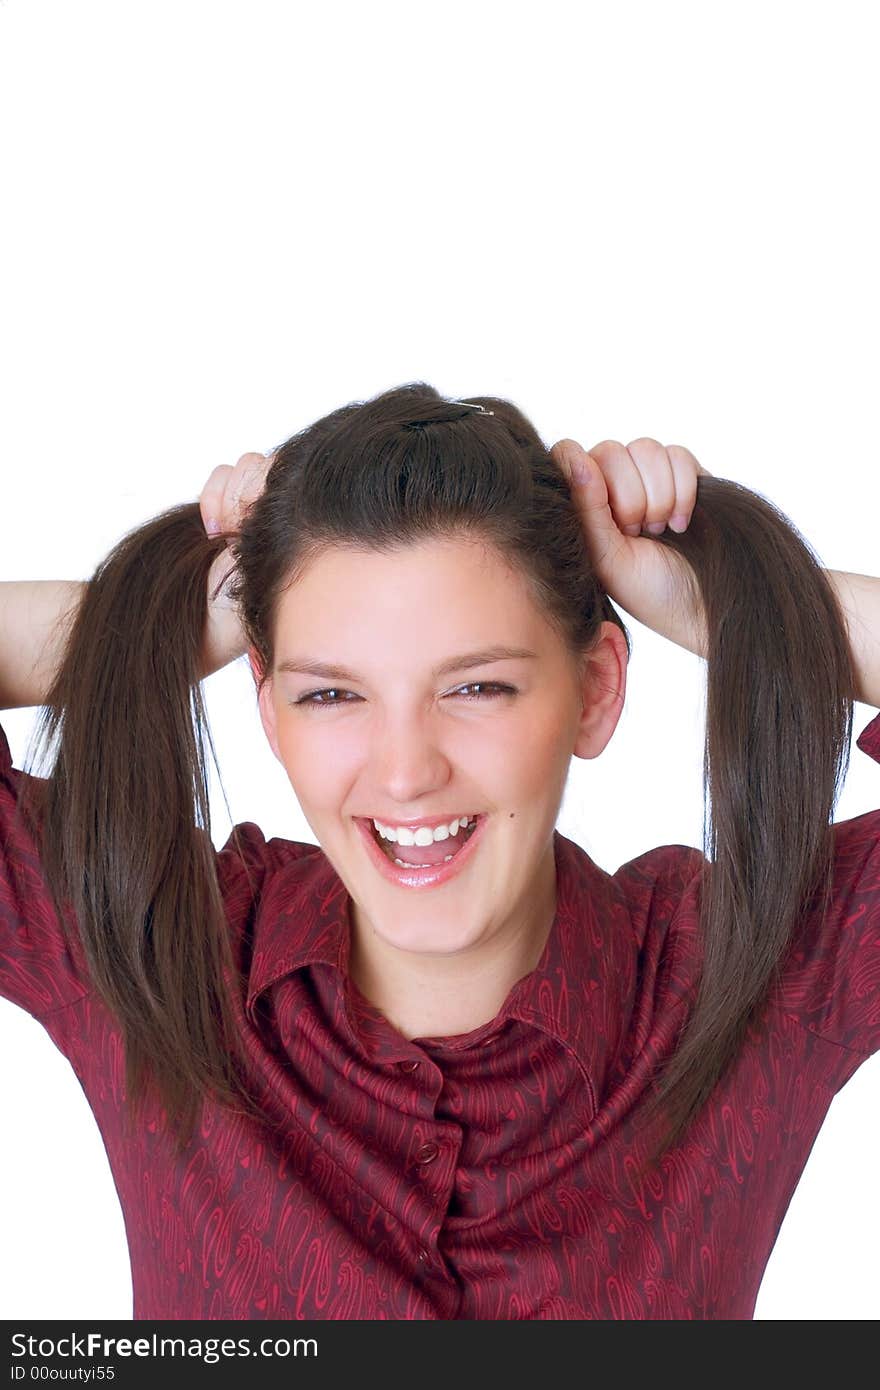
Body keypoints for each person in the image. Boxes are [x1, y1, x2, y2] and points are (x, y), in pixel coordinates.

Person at [1, 382, 878, 1321]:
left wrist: (737, 604)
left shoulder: (758, 976)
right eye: (331, 695)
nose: (407, 772)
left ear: (593, 690)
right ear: (268, 709)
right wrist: (147, 627)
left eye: (478, 688)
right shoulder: (145, 940)